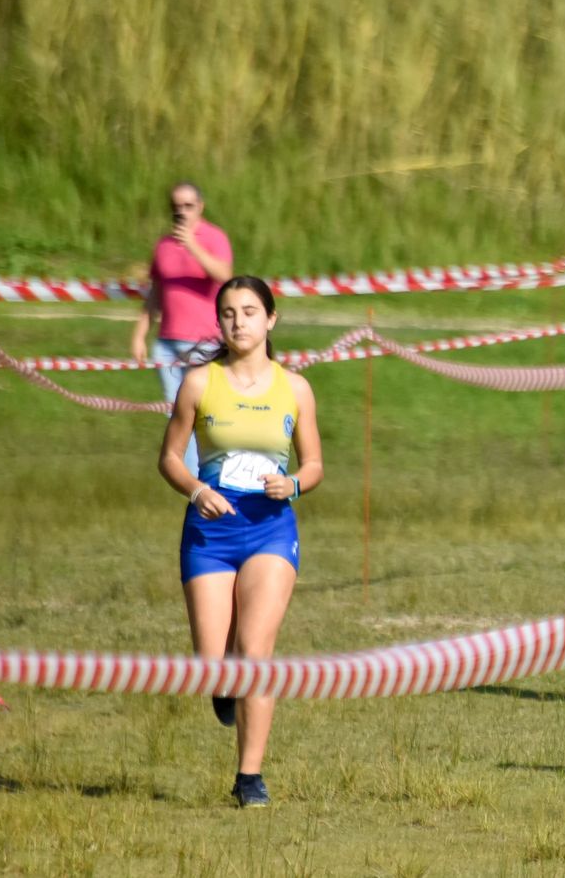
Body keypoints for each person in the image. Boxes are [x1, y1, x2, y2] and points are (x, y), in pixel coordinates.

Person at [159, 276, 323, 807]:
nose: (239, 322)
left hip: (271, 525)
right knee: (215, 662)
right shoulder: (199, 384)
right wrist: (195, 487)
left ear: (270, 319)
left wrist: (294, 483)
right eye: (228, 314)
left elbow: (315, 463)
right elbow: (168, 457)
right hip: (211, 527)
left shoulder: (294, 388)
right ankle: (223, 681)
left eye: (250, 312)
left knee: (256, 651)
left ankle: (249, 777)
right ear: (220, 322)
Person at [132, 182, 234, 477]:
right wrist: (140, 333)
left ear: (200, 207)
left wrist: (192, 245)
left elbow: (224, 275)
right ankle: (193, 483)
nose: (182, 212)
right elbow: (156, 292)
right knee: (176, 414)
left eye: (188, 206)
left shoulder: (214, 238)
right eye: (176, 207)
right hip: (167, 343)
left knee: (210, 413)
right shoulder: (163, 245)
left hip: (206, 341)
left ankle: (220, 472)